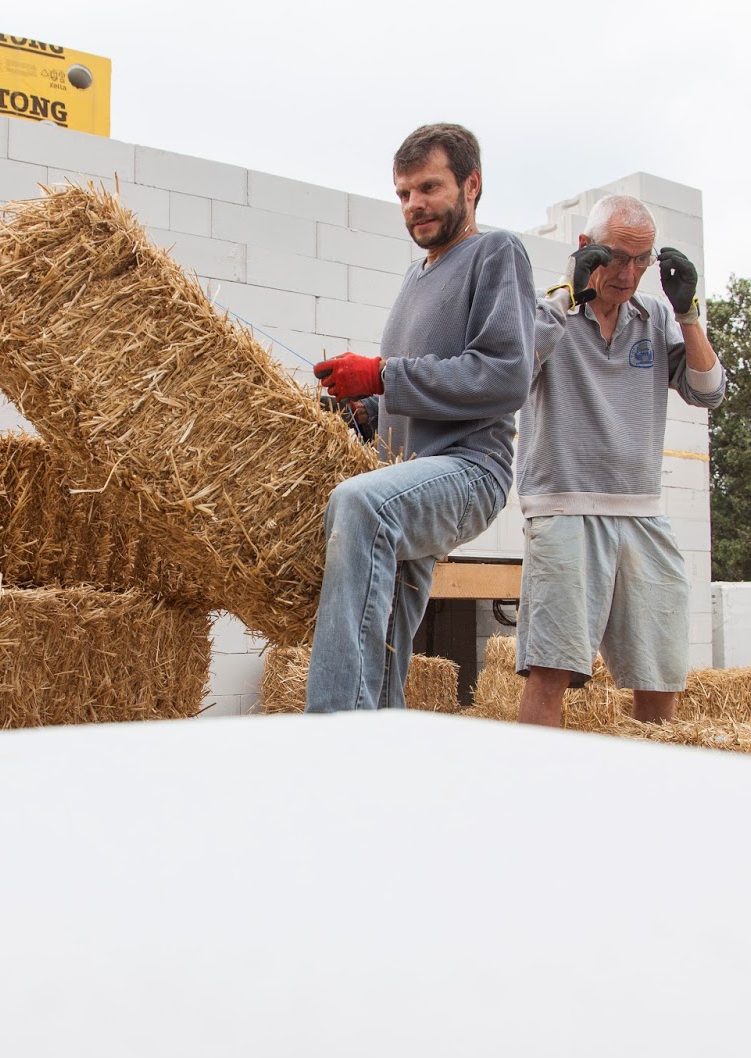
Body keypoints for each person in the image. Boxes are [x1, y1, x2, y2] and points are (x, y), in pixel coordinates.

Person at [303, 123, 535, 713]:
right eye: (404, 193)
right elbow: (412, 390)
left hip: (469, 470)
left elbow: (505, 375)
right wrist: (363, 409)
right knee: (383, 654)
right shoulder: (415, 278)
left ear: (471, 185)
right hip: (409, 477)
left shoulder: (496, 253)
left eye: (429, 188)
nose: (414, 205)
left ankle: (330, 730)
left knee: (359, 505)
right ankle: (378, 744)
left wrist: (381, 375)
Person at [514, 194, 727, 726]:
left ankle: (651, 776)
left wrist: (688, 313)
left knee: (660, 674)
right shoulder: (545, 311)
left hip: (641, 512)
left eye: (642, 260)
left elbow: (709, 391)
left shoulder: (655, 317)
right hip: (563, 509)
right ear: (586, 248)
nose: (628, 274)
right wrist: (566, 293)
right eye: (617, 257)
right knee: (551, 670)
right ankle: (531, 775)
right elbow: (511, 376)